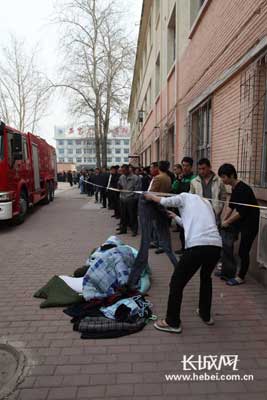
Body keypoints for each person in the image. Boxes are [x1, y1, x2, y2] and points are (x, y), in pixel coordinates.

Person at [144, 192, 222, 333]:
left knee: (176, 282)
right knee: (206, 278)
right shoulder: (206, 203)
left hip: (197, 246)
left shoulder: (185, 196)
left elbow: (165, 201)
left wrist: (150, 196)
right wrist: (175, 217)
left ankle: (172, 322)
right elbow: (191, 224)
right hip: (215, 245)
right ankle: (205, 315)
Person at [216, 163, 260, 286]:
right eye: (221, 177)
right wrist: (224, 221)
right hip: (240, 222)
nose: (222, 180)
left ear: (231, 175)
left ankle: (241, 276)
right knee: (226, 241)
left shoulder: (244, 189)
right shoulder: (234, 188)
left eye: (224, 177)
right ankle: (227, 269)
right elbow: (231, 206)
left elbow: (241, 212)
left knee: (243, 252)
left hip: (250, 225)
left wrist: (227, 222)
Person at [190, 158, 227, 223]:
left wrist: (219, 209)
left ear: (209, 167)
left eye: (204, 168)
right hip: (199, 214)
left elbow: (223, 196)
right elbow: (191, 197)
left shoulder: (219, 181)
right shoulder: (194, 182)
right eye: (199, 169)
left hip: (214, 214)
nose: (201, 171)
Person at [149, 161, 173, 254]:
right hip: (164, 202)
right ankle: (158, 242)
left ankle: (162, 245)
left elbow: (152, 192)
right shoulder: (167, 177)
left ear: (158, 167)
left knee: (159, 226)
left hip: (157, 203)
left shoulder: (158, 178)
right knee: (160, 225)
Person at [175, 157, 196, 255]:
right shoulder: (181, 178)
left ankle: (189, 250)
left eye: (187, 166)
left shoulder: (194, 178)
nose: (184, 168)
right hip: (180, 207)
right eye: (183, 165)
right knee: (181, 231)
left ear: (191, 167)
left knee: (189, 231)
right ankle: (183, 248)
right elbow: (173, 188)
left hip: (190, 208)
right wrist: (178, 180)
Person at [117, 164, 141, 236]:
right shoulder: (122, 177)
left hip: (131, 199)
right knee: (123, 216)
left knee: (132, 216)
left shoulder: (136, 178)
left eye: (124, 171)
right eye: (122, 171)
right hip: (123, 199)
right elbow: (119, 185)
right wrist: (118, 186)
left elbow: (138, 190)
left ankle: (134, 230)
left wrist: (135, 199)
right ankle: (123, 229)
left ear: (128, 170)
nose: (123, 172)